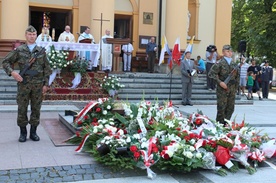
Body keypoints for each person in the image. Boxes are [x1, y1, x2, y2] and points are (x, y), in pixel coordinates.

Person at [1, 25, 52, 142]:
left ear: (36, 36)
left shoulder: (41, 52)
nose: (32, 36)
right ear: (26, 35)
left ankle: (33, 132)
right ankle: (23, 132)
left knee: (36, 108)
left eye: (34, 34)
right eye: (29, 34)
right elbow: (5, 62)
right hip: (24, 84)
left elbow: (47, 69)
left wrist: (46, 84)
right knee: (22, 108)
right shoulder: (19, 50)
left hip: (38, 85)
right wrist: (13, 73)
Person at [208, 45, 240, 125]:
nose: (230, 53)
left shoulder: (234, 64)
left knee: (230, 108)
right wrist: (220, 82)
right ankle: (219, 125)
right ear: (223, 52)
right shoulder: (219, 63)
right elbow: (211, 74)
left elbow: (237, 77)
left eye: (230, 51)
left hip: (232, 89)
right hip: (222, 89)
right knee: (221, 108)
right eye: (227, 51)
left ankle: (226, 123)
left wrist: (236, 88)